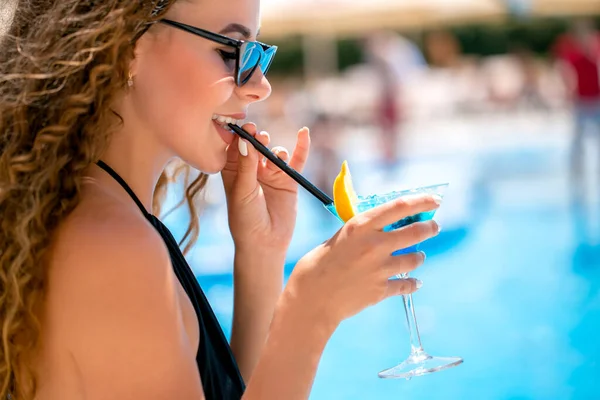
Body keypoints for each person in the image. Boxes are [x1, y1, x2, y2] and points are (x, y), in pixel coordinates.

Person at [0, 1, 441, 399]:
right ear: (126, 46)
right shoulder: (112, 245)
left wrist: (261, 253)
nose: (260, 86)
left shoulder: (111, 215)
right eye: (233, 50)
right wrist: (310, 312)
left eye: (258, 54)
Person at [553, 18, 600, 201]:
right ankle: (577, 174)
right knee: (578, 142)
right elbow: (564, 70)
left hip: (596, 100)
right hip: (581, 101)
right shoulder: (571, 51)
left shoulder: (595, 47)